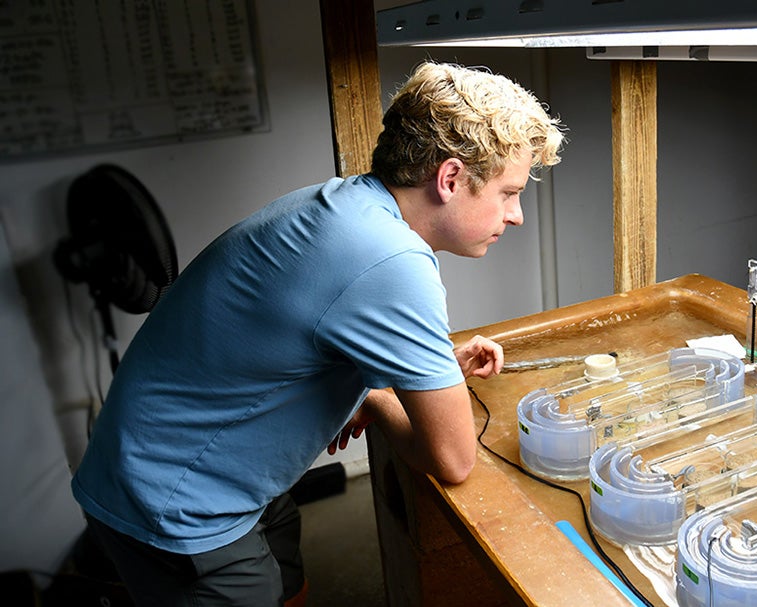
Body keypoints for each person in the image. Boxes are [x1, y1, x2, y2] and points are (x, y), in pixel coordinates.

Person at [70, 61, 565, 606]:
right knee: (251, 589)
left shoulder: (345, 205)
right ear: (449, 179)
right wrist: (378, 398)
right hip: (171, 503)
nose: (516, 215)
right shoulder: (389, 259)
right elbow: (452, 458)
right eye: (509, 192)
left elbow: (302, 335)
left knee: (282, 574)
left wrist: (431, 364)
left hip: (144, 456)